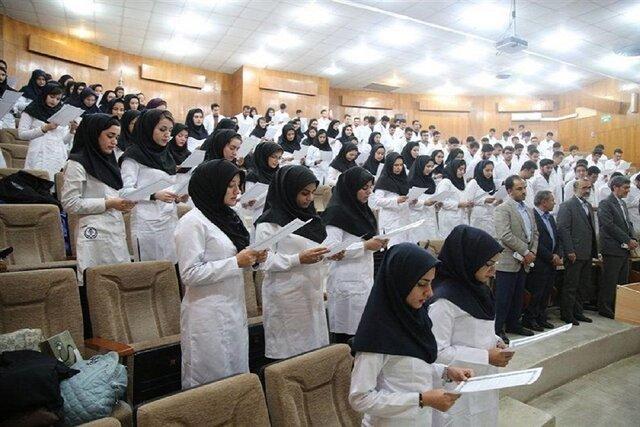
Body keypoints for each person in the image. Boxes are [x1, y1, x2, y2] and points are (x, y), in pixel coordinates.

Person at [349, 243, 472, 426]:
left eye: (431, 283)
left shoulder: (414, 319)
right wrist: (421, 399)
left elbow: (410, 367)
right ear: (400, 281)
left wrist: (446, 372)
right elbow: (360, 398)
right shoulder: (377, 334)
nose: (430, 292)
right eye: (422, 284)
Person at [176, 159, 267, 389]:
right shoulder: (192, 223)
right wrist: (235, 262)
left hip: (233, 307)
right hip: (206, 314)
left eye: (239, 185)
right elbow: (189, 274)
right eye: (230, 186)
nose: (238, 192)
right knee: (209, 382)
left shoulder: (230, 217)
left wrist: (255, 259)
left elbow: (240, 257)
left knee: (236, 375)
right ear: (213, 186)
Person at [429, 225, 513, 427]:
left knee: (484, 418)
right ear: (469, 259)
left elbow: (478, 329)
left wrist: (496, 342)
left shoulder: (478, 289)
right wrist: (485, 356)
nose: (493, 271)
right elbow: (436, 352)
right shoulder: (443, 301)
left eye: (495, 263)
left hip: (483, 379)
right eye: (488, 264)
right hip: (456, 386)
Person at [255, 165, 333, 359]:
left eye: (313, 193)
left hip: (311, 291)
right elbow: (263, 261)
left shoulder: (311, 219)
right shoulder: (269, 222)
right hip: (285, 298)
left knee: (314, 355)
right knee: (290, 356)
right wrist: (297, 259)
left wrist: (329, 254)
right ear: (288, 190)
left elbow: (317, 249)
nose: (309, 198)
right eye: (304, 193)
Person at [61, 113, 133, 284]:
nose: (114, 142)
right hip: (92, 232)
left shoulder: (109, 161)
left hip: (115, 229)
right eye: (110, 136)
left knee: (119, 281)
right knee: (96, 284)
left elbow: (112, 194)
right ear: (94, 134)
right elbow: (70, 203)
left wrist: (126, 201)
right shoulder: (76, 164)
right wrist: (108, 203)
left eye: (116, 137)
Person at [322, 167, 388, 342]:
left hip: (364, 277)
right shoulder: (336, 212)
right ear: (351, 188)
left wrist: (378, 242)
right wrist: (365, 246)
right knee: (347, 335)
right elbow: (330, 250)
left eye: (370, 187)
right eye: (364, 188)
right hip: (345, 282)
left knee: (364, 331)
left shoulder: (363, 210)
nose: (369, 192)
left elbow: (367, 240)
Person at [120, 109, 187, 263]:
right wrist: (154, 195)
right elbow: (124, 192)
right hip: (146, 224)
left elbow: (169, 185)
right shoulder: (133, 156)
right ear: (148, 129)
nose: (167, 134)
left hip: (169, 221)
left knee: (170, 268)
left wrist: (178, 196)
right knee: (151, 270)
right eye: (162, 129)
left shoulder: (166, 154)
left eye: (170, 130)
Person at [494, 175, 539, 341]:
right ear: (509, 191)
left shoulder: (528, 209)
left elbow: (535, 233)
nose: (524, 191)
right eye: (519, 189)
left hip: (525, 260)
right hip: (509, 259)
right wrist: (526, 251)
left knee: (518, 296)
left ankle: (514, 324)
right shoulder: (503, 209)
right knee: (503, 298)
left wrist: (532, 251)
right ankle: (497, 330)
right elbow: (505, 235)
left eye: (524, 188)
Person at [557, 178, 597, 325]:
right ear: (575, 189)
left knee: (582, 285)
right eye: (584, 188)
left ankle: (578, 312)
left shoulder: (588, 205)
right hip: (574, 252)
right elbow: (563, 229)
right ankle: (567, 314)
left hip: (587, 251)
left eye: (589, 188)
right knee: (571, 285)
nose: (587, 190)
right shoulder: (567, 205)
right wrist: (569, 250)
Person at [597, 176, 637, 319]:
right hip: (612, 248)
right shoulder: (605, 203)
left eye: (628, 188)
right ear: (615, 187)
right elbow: (609, 225)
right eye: (625, 188)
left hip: (624, 248)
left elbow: (628, 223)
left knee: (621, 280)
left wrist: (633, 238)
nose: (628, 190)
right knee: (610, 280)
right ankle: (605, 308)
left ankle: (618, 306)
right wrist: (627, 239)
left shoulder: (623, 203)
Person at [20, 82, 78, 180]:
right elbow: (22, 134)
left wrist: (72, 130)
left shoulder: (61, 112)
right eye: (52, 97)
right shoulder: (32, 110)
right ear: (45, 94)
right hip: (39, 154)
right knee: (37, 182)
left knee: (56, 184)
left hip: (57, 156)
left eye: (58, 99)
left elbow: (64, 141)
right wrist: (44, 128)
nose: (54, 101)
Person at [522, 191, 562, 331]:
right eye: (552, 200)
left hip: (551, 262)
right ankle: (530, 319)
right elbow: (535, 241)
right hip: (539, 261)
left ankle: (541, 317)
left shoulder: (550, 217)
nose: (554, 203)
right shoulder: (532, 216)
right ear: (544, 202)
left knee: (546, 291)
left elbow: (556, 237)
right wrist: (550, 256)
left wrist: (557, 254)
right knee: (536, 292)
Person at [372, 152, 412, 247]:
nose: (399, 168)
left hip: (403, 218)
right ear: (390, 165)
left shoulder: (403, 179)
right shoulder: (384, 180)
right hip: (390, 220)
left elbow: (405, 196)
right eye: (396, 165)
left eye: (401, 165)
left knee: (405, 246)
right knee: (393, 246)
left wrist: (411, 200)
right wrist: (396, 200)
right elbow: (377, 200)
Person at [243, 141, 283, 226]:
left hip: (278, 218)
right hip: (259, 218)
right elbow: (249, 203)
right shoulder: (253, 176)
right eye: (273, 157)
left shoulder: (279, 174)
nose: (276, 161)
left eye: (279, 158)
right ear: (264, 156)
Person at [435, 159, 470, 239]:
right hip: (449, 218)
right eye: (460, 169)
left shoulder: (462, 182)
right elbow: (441, 202)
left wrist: (468, 203)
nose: (462, 172)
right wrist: (459, 204)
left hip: (461, 216)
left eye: (464, 170)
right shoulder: (445, 182)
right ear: (453, 169)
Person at [407, 155, 439, 242]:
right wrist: (424, 203)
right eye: (428, 166)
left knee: (431, 243)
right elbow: (409, 201)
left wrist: (436, 204)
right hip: (416, 218)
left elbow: (433, 197)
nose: (430, 169)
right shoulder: (411, 181)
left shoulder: (431, 181)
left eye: (432, 167)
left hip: (430, 217)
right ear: (420, 166)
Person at [466, 160, 499, 237]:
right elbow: (468, 201)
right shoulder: (474, 183)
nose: (490, 173)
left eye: (491, 170)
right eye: (487, 170)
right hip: (478, 217)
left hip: (491, 216)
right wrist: (484, 200)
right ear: (481, 170)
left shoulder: (492, 183)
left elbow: (492, 199)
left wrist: (497, 201)